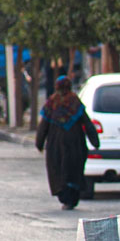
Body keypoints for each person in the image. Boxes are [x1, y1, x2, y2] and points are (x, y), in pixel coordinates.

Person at [35, 76, 99, 210]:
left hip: (55, 145)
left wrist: (39, 143)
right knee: (74, 170)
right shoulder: (75, 102)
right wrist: (95, 141)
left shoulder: (52, 103)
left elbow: (43, 126)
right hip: (75, 143)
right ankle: (71, 198)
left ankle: (65, 197)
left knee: (58, 170)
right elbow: (87, 123)